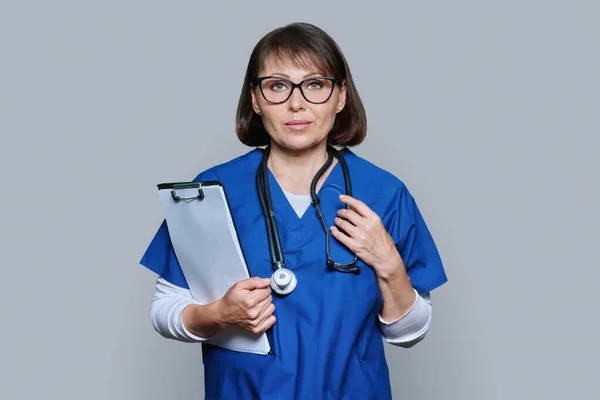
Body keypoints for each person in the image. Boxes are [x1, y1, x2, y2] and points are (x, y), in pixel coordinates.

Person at [140, 22, 447, 399]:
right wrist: (218, 314)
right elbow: (164, 309)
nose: (296, 103)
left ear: (340, 96)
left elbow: (410, 333)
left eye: (315, 85)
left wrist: (390, 264)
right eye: (277, 86)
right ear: (255, 99)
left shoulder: (384, 193)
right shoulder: (210, 191)